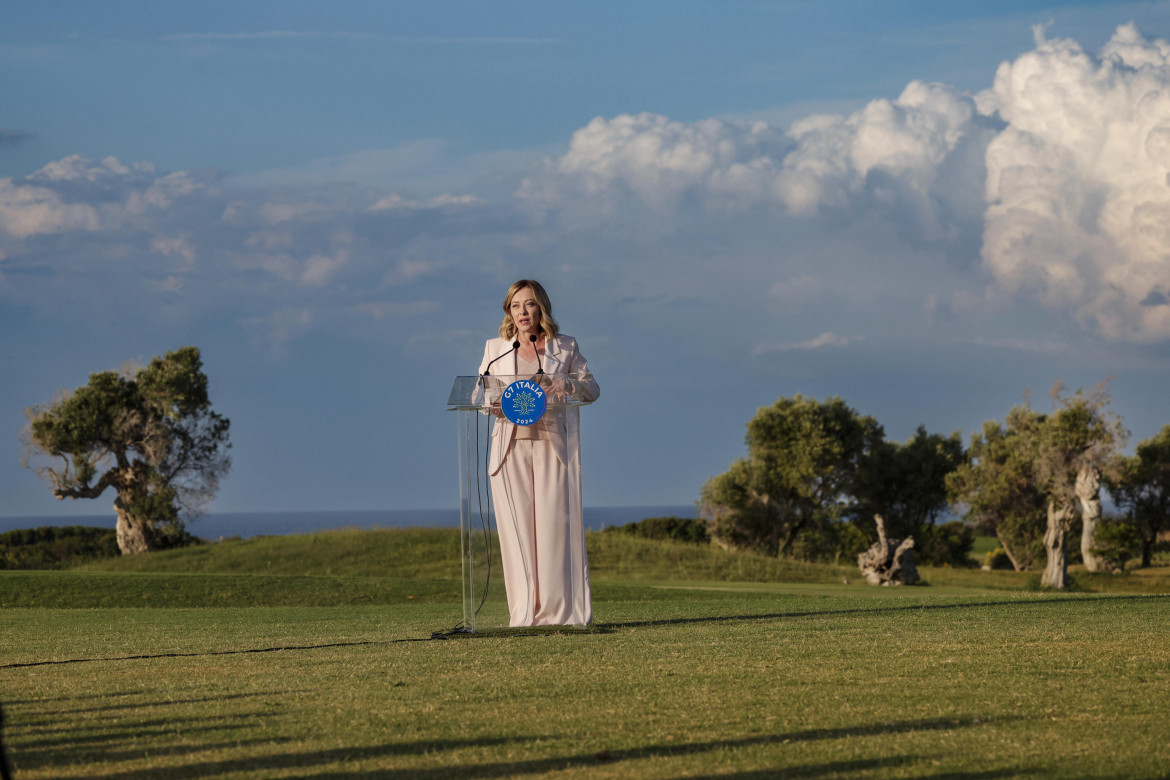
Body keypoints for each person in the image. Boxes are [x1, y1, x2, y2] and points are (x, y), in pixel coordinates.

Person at [478, 279, 600, 626]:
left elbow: (591, 388)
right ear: (508, 311)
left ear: (541, 307)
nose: (522, 312)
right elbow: (479, 393)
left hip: (553, 447)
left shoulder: (565, 346)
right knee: (517, 537)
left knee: (554, 532)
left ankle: (559, 614)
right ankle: (524, 614)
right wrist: (493, 402)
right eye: (515, 306)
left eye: (529, 304)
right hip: (509, 449)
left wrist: (567, 384)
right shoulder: (495, 348)